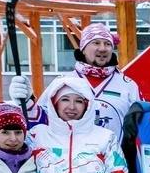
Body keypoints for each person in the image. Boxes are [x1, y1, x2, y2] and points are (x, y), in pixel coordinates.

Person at [10, 22, 141, 135]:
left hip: (115, 160)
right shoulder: (62, 82)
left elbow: (142, 125)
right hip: (70, 160)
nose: (102, 48)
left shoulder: (127, 85)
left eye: (107, 44)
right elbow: (42, 121)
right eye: (96, 43)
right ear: (83, 49)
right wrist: (27, 102)